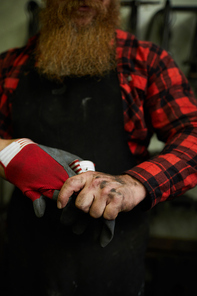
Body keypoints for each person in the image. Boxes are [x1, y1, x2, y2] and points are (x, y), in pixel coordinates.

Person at [0, 0, 197, 295]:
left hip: (113, 259)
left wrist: (133, 184)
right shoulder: (9, 67)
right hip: (28, 254)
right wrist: (8, 152)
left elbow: (192, 134)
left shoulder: (145, 60)